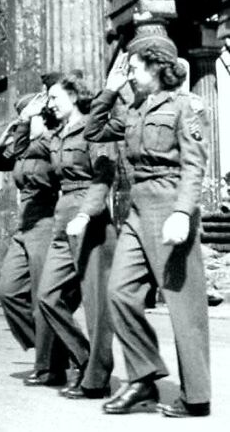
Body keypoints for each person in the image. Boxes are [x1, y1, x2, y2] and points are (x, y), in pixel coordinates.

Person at [85, 31, 211, 417]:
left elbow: (194, 164)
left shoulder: (185, 105)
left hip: (169, 206)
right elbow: (92, 131)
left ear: (156, 65)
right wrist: (109, 90)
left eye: (135, 67)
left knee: (183, 306)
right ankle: (142, 377)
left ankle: (196, 396)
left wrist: (182, 212)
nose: (131, 74)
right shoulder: (133, 110)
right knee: (119, 293)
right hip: (137, 212)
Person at [17, 73, 117, 399]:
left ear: (74, 97)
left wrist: (87, 213)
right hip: (63, 216)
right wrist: (24, 119)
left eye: (56, 98)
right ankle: (85, 358)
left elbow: (104, 175)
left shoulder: (93, 129)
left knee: (95, 305)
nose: (51, 104)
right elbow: (19, 151)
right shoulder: (55, 135)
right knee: (47, 296)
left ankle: (95, 380)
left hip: (90, 217)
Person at [0, 88, 69, 387]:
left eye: (31, 115)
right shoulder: (24, 147)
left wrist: (36, 129)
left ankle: (49, 366)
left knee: (41, 297)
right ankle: (57, 350)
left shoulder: (54, 142)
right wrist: (14, 128)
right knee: (9, 291)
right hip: (25, 226)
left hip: (47, 223)